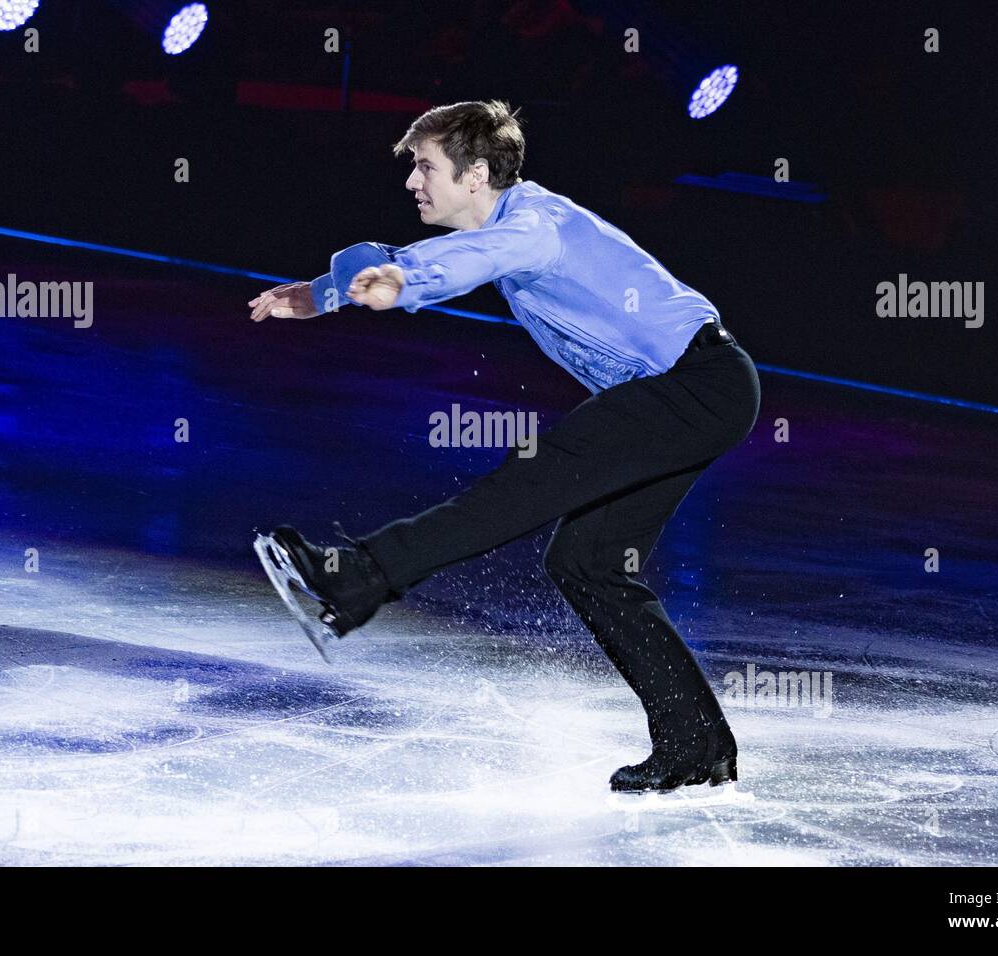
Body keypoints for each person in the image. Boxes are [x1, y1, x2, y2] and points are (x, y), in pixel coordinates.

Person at [247, 100, 760, 793]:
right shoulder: (519, 222)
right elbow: (459, 254)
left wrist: (402, 280)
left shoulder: (531, 226)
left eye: (425, 166)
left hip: (691, 386)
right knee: (589, 562)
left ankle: (357, 577)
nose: (412, 182)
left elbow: (477, 256)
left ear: (477, 173)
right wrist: (324, 292)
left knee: (518, 489)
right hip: (697, 388)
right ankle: (696, 745)